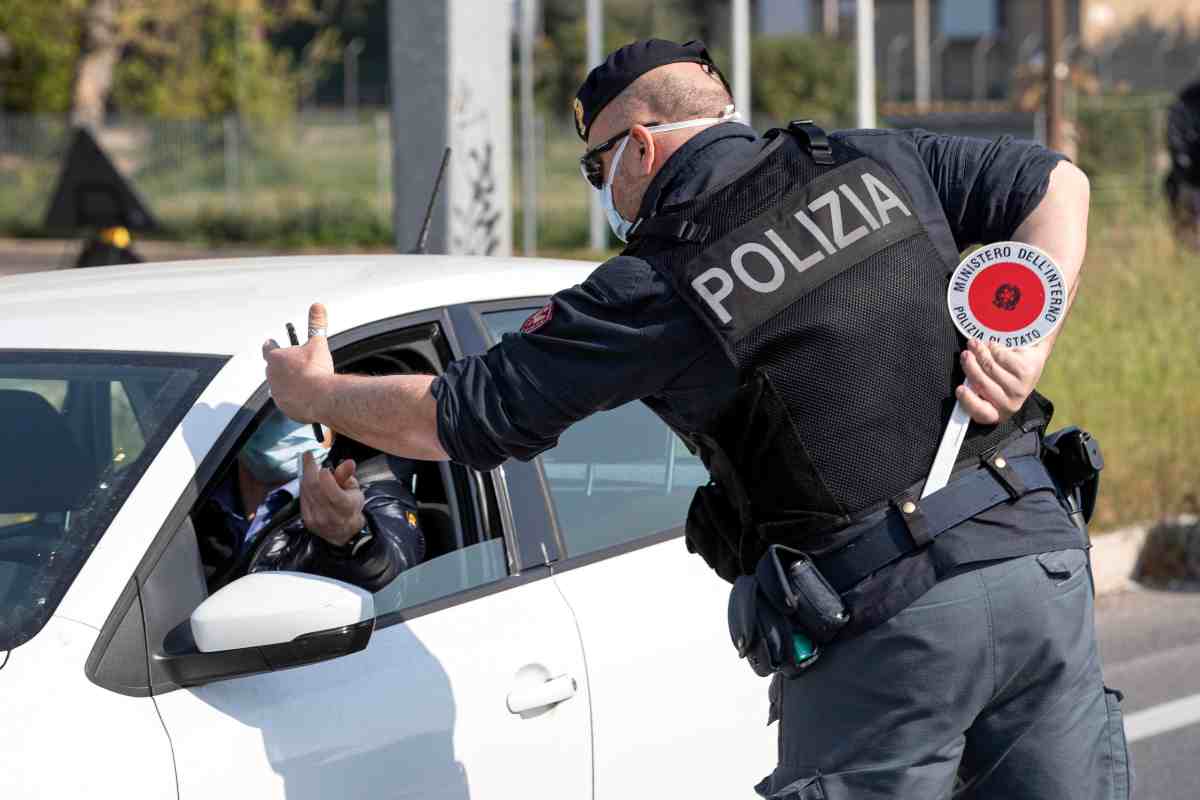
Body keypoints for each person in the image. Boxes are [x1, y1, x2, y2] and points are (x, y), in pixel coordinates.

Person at [263, 39, 1122, 799]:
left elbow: (463, 415)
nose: (606, 191)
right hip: (1036, 560)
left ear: (638, 145)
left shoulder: (660, 279)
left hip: (891, 621)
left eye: (598, 170)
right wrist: (1029, 332)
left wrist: (316, 396)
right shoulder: (869, 158)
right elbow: (1058, 182)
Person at [195, 408, 425, 593]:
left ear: (334, 422)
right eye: (273, 405)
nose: (285, 419)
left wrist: (352, 537)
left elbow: (391, 577)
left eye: (303, 411)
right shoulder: (196, 482)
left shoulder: (363, 494)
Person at [1166, 80, 1200, 249]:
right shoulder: (1187, 100)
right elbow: (1175, 138)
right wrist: (1184, 163)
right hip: (1190, 178)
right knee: (1188, 239)